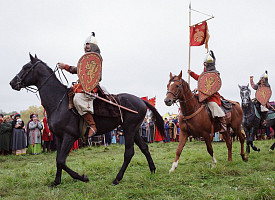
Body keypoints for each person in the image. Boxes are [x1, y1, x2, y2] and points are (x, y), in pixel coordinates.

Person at [58, 32, 102, 138]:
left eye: (88, 44)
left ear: (93, 46)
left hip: (91, 86)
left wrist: (66, 67)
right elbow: (80, 70)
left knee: (78, 98)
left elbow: (90, 73)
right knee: (70, 92)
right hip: (81, 84)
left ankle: (92, 125)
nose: (86, 46)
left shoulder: (96, 58)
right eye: (85, 44)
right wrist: (65, 67)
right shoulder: (86, 59)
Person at [188, 50, 227, 133]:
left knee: (213, 105)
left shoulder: (215, 73)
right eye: (204, 63)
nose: (204, 64)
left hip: (211, 96)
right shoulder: (204, 73)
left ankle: (223, 124)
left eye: (206, 63)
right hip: (202, 95)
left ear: (210, 64)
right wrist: (191, 73)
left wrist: (199, 89)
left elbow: (213, 87)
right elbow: (200, 79)